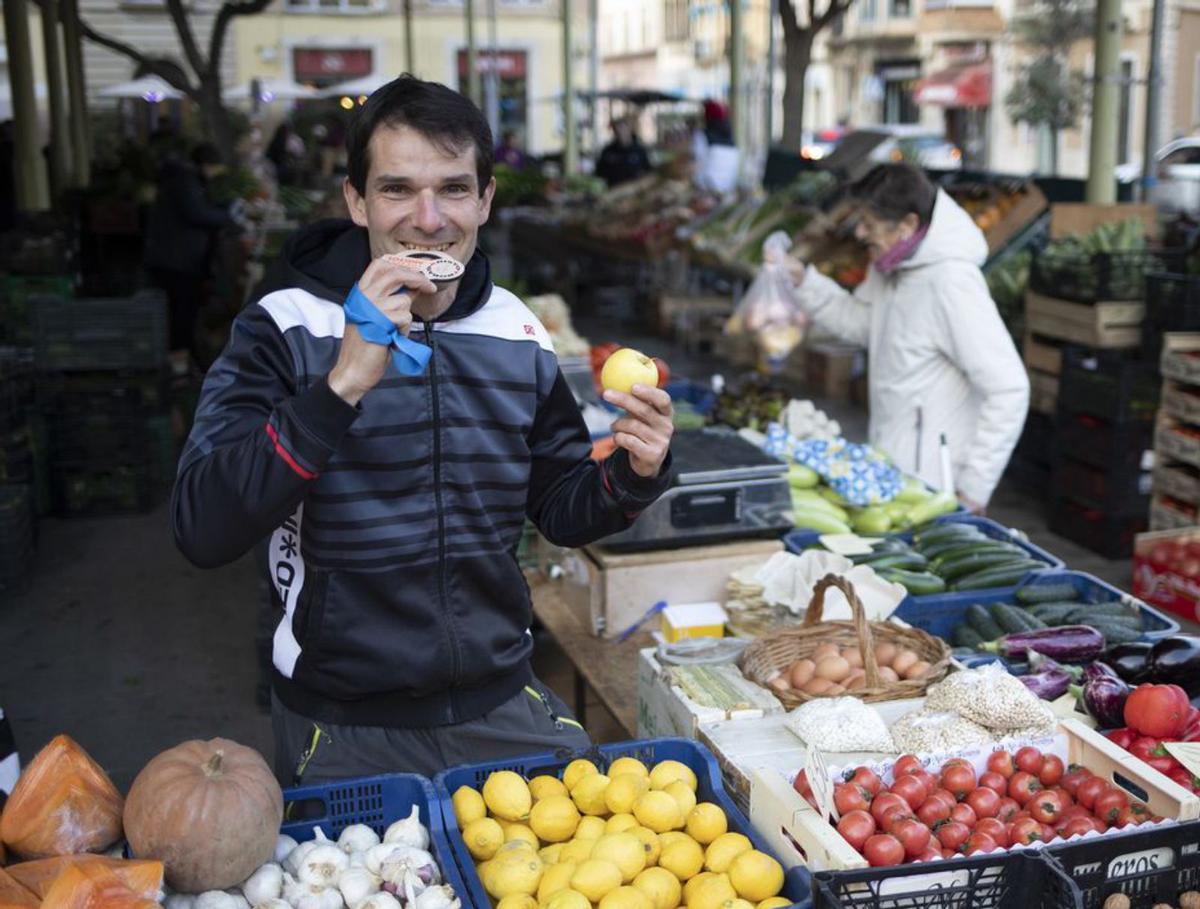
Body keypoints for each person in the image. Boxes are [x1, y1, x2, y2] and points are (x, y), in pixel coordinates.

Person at [171, 75, 675, 784]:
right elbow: (202, 524)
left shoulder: (516, 329)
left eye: (455, 189)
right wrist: (341, 383)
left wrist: (633, 470)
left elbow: (559, 507)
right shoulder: (285, 326)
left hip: (501, 702)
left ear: (486, 200)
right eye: (398, 189)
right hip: (341, 724)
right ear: (356, 200)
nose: (429, 219)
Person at [777, 164, 1028, 512]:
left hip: (934, 485)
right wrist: (804, 281)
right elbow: (862, 324)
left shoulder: (951, 283)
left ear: (909, 224)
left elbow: (1009, 388)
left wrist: (974, 487)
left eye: (870, 223)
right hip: (889, 466)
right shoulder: (891, 267)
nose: (861, 233)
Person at [144, 142, 237, 365]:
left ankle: (183, 358)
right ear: (207, 164)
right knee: (181, 311)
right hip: (177, 260)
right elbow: (196, 212)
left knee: (182, 311)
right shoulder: (186, 181)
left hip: (174, 257)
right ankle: (179, 360)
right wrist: (229, 216)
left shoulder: (185, 179)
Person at [696, 100, 739, 195]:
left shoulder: (702, 135)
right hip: (727, 188)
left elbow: (696, 161)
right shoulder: (731, 136)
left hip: (707, 188)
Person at [594, 116, 652, 187]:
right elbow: (599, 173)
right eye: (616, 130)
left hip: (635, 191)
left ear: (629, 130)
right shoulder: (608, 151)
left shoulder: (640, 151)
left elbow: (648, 172)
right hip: (613, 191)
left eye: (622, 129)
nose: (620, 133)